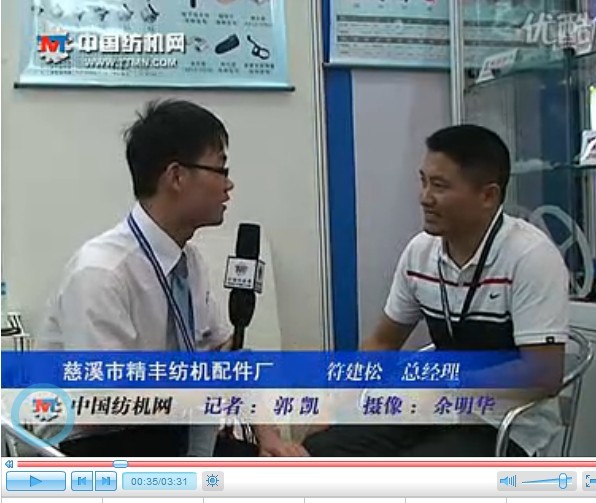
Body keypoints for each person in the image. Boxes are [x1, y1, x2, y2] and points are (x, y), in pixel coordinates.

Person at [38, 99, 304, 457]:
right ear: (177, 177)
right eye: (220, 169)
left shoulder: (188, 262)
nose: (229, 185)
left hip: (169, 435)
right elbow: (103, 404)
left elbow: (226, 356)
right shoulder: (101, 272)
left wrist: (268, 435)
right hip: (91, 448)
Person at [303, 124, 569, 457]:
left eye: (439, 186)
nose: (424, 197)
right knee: (320, 450)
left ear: (488, 196)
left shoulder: (530, 257)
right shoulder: (420, 252)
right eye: (423, 181)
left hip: (503, 424)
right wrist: (336, 405)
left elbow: (544, 375)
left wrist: (447, 382)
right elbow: (383, 342)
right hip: (434, 409)